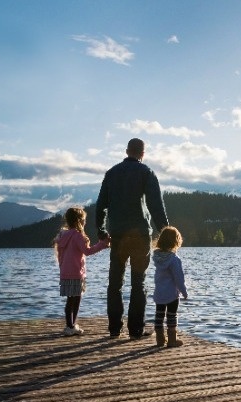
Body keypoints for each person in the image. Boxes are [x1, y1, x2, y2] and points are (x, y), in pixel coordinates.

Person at [95, 138, 169, 339]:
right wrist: (166, 232)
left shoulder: (111, 173)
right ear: (142, 154)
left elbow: (101, 204)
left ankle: (114, 329)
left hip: (117, 235)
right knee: (139, 282)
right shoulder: (146, 172)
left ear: (127, 151)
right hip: (140, 236)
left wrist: (101, 230)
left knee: (115, 283)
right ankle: (136, 330)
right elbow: (156, 206)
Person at [54, 207, 110, 336]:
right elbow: (87, 251)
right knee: (77, 299)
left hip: (65, 273)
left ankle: (70, 326)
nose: (85, 222)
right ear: (79, 221)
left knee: (70, 300)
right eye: (84, 220)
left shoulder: (62, 236)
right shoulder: (77, 235)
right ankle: (71, 326)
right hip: (76, 272)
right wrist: (102, 244)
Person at [152, 226, 189, 347]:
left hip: (159, 293)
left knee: (159, 315)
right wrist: (184, 292)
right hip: (172, 294)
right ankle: (172, 340)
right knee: (172, 316)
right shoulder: (174, 259)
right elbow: (179, 278)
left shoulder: (157, 258)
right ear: (176, 242)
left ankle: (160, 339)